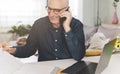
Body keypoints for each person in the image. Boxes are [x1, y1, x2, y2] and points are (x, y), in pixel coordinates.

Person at [0, 0, 85, 61]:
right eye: (49, 9)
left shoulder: (76, 25)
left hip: (68, 68)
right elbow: (29, 50)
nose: (51, 14)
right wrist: (11, 50)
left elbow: (78, 56)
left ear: (67, 10)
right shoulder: (39, 24)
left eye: (56, 10)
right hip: (44, 69)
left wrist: (67, 27)